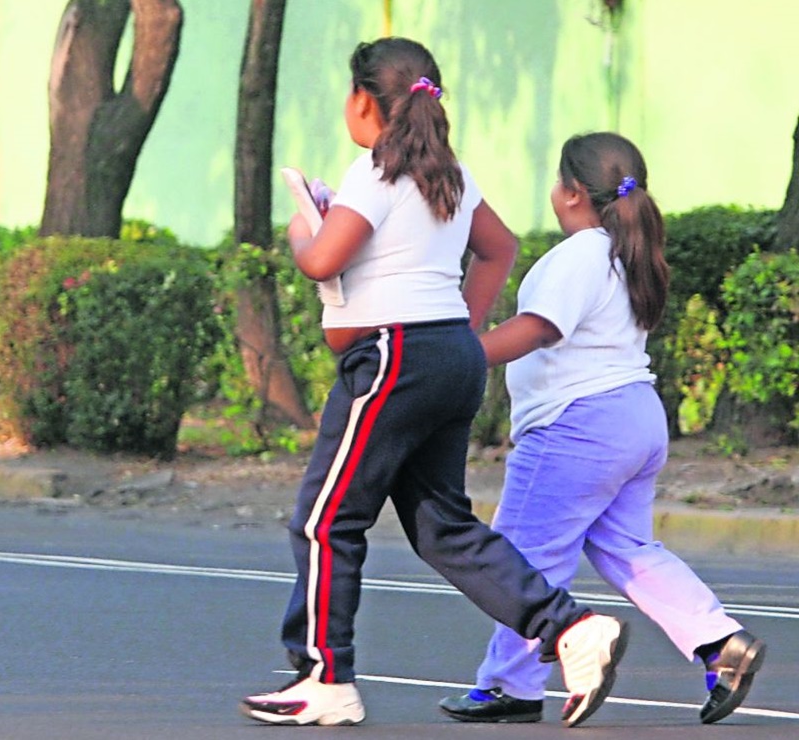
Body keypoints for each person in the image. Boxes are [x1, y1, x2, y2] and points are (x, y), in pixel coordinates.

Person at [238, 37, 629, 729]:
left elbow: (321, 258)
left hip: (393, 359)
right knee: (440, 526)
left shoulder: (374, 173)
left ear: (362, 102)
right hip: (447, 355)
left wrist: (305, 226)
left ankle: (324, 677)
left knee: (326, 519)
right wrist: (458, 328)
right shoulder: (449, 175)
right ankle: (568, 629)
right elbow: (497, 248)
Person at [438, 131, 766, 726]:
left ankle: (511, 684)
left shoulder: (580, 254)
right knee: (627, 547)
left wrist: (461, 356)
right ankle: (720, 643)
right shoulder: (626, 253)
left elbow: (540, 328)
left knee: (522, 554)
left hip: (577, 425)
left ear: (569, 193)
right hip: (634, 416)